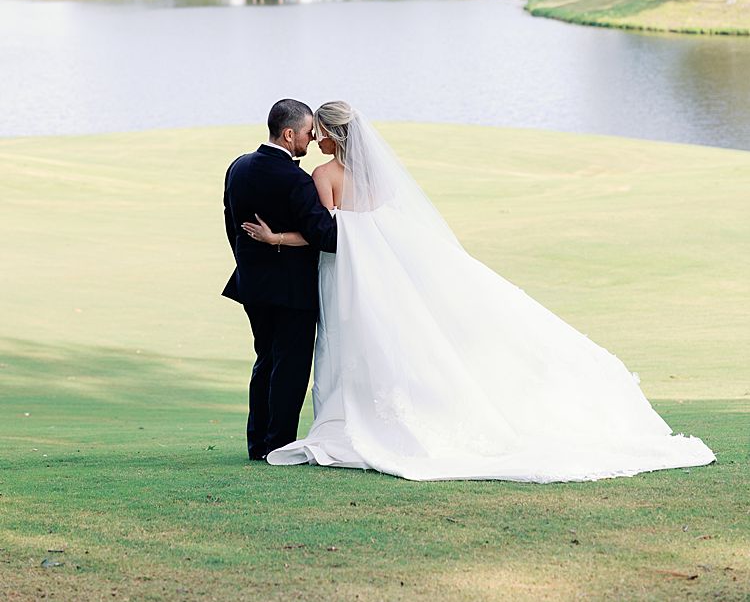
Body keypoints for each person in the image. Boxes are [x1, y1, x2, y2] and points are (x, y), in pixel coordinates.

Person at [242, 101, 716, 482]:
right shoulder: (376, 177)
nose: (313, 138)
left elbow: (330, 232)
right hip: (381, 270)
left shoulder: (323, 176)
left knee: (351, 343)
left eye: (318, 131)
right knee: (387, 338)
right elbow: (372, 225)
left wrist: (278, 238)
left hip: (346, 274)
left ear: (329, 135)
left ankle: (343, 420)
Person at [222, 99, 337, 460]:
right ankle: (279, 445)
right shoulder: (296, 181)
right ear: (289, 134)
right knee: (290, 367)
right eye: (307, 133)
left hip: (252, 285)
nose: (312, 137)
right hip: (293, 291)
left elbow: (232, 225)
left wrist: (250, 264)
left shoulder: (237, 167)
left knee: (266, 360)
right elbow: (326, 236)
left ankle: (258, 444)